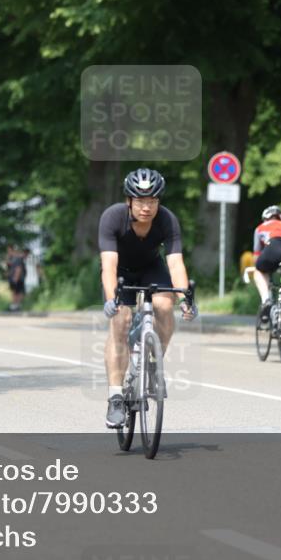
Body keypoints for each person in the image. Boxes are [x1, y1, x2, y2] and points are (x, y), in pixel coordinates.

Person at [99, 168, 197, 429]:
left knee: (165, 305)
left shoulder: (167, 220)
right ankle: (116, 397)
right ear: (129, 201)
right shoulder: (113, 217)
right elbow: (108, 265)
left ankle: (153, 363)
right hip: (120, 272)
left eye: (152, 201)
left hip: (151, 268)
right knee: (121, 320)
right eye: (141, 201)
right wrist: (112, 300)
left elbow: (175, 264)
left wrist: (185, 298)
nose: (147, 207)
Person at [6, 245, 26, 311]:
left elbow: (18, 269)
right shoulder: (13, 258)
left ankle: (16, 305)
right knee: (15, 291)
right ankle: (15, 305)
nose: (8, 252)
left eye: (9, 251)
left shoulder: (17, 258)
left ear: (13, 250)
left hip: (17, 278)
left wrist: (15, 278)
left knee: (17, 292)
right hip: (15, 278)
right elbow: (9, 265)